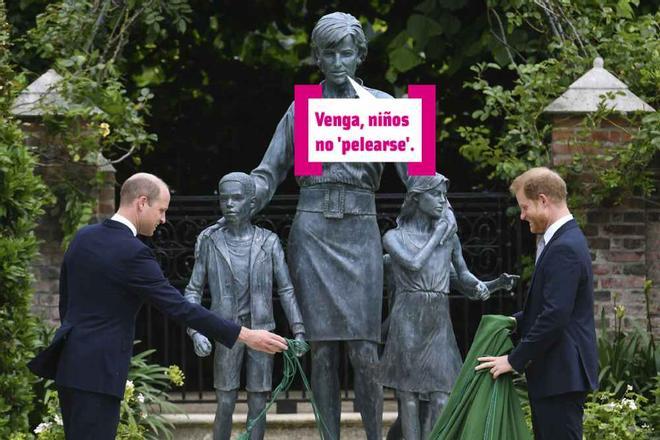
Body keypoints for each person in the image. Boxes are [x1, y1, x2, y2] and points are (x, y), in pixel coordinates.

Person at [243, 12, 459, 439]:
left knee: (364, 350)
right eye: (329, 53)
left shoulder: (381, 106)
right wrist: (240, 195)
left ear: (360, 55)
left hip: (360, 232)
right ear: (317, 58)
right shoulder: (303, 109)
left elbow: (416, 174)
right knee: (321, 352)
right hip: (313, 232)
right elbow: (269, 172)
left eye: (346, 52)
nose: (338, 61)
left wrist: (438, 198)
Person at [28, 173, 288, 440]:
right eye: (161, 210)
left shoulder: (83, 237)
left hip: (70, 367)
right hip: (100, 372)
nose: (163, 219)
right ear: (142, 202)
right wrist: (246, 335)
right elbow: (179, 307)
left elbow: (67, 303)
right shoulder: (133, 253)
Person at [378, 174, 518, 440]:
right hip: (408, 315)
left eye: (445, 195)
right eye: (437, 195)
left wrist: (494, 285)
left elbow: (463, 277)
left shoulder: (449, 240)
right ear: (417, 198)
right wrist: (439, 234)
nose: (443, 202)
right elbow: (413, 263)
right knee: (407, 395)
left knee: (441, 393)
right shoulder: (394, 236)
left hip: (437, 317)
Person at [476, 167, 598, 440]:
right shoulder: (561, 240)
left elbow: (555, 315)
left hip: (561, 375)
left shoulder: (564, 246)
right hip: (556, 375)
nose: (522, 215)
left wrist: (513, 359)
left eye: (524, 206)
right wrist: (512, 322)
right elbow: (549, 307)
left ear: (543, 200)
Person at [184, 172, 305, 440]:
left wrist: (298, 331)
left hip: (262, 332)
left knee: (258, 403)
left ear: (251, 203)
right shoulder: (210, 243)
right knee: (225, 402)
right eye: (224, 198)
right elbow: (192, 291)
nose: (229, 204)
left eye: (236, 198)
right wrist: (196, 331)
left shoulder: (269, 242)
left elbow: (285, 289)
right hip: (225, 332)